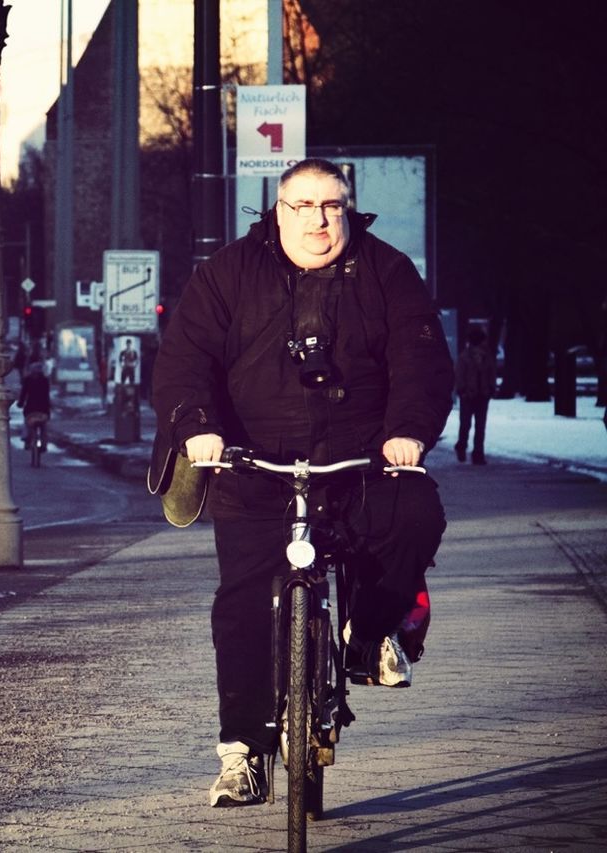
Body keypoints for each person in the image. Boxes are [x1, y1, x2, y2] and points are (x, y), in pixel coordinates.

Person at [150, 158, 453, 808]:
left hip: (360, 461)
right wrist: (198, 426)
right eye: (303, 205)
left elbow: (422, 360)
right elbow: (184, 360)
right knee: (241, 602)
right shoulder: (227, 274)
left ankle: (369, 635)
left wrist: (408, 432)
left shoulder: (387, 272)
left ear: (348, 209)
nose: (318, 219)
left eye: (331, 205)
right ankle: (243, 751)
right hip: (251, 463)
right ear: (278, 212)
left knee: (417, 516)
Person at [454, 326, 496, 464]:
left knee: (479, 426)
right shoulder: (465, 357)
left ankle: (478, 453)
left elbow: (491, 374)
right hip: (469, 396)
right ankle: (462, 446)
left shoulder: (486, 357)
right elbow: (460, 375)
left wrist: (490, 389)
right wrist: (462, 390)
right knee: (466, 424)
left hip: (482, 395)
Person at [14, 361, 52, 448]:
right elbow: (46, 395)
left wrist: (20, 403)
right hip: (43, 408)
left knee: (27, 423)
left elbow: (23, 393)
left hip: (30, 408)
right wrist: (49, 407)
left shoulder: (28, 380)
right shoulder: (45, 380)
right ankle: (44, 444)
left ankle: (27, 440)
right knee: (43, 426)